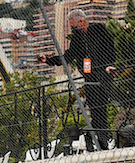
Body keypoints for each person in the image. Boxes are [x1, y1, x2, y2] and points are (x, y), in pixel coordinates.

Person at [41, 10, 116, 148]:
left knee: (102, 106)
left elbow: (110, 46)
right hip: (89, 76)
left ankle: (96, 137)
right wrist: (49, 60)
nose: (73, 29)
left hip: (104, 73)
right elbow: (69, 56)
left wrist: (110, 65)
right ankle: (97, 138)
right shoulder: (77, 38)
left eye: (74, 26)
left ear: (81, 21)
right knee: (95, 108)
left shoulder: (98, 29)